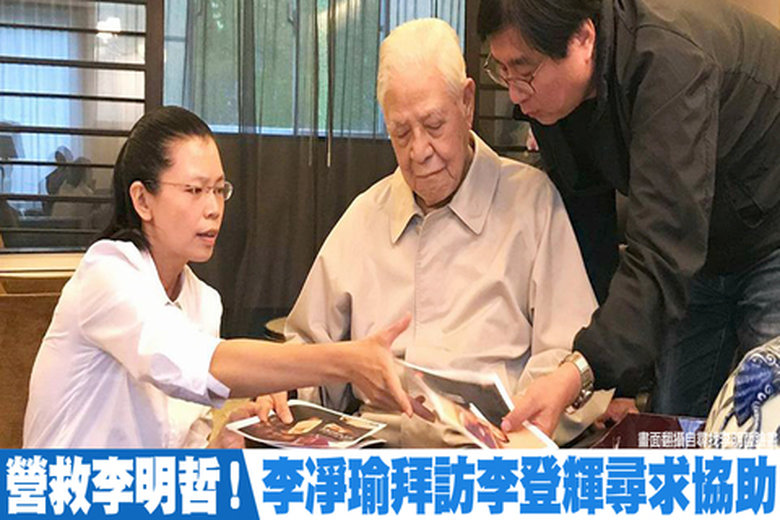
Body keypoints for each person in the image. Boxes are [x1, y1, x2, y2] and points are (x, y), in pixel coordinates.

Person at [262, 18, 614, 447]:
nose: (419, 152)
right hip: (378, 449)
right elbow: (309, 348)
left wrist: (521, 434)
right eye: (401, 133)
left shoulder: (530, 202)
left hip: (491, 453)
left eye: (433, 125)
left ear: (466, 102)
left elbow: (568, 353)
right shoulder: (366, 215)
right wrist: (284, 387)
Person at [23, 106, 413, 449]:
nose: (213, 208)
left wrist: (223, 441)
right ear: (142, 200)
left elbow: (183, 439)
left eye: (218, 190)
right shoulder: (108, 273)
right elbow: (193, 362)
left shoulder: (204, 301)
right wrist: (346, 360)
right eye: (194, 190)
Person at [476, 0, 780, 433]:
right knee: (672, 424)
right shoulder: (550, 100)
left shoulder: (669, 65)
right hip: (697, 248)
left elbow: (663, 248)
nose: (514, 94)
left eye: (524, 71)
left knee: (764, 417)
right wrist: (614, 382)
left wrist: (580, 371)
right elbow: (590, 235)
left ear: (583, 38)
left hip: (769, 230)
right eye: (502, 70)